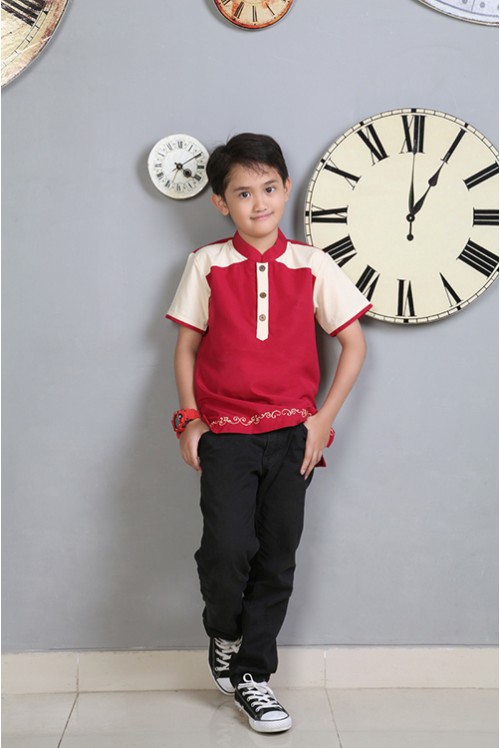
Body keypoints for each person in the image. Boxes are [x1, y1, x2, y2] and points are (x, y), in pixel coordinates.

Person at [166, 133, 371, 734]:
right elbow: (186, 348)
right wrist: (189, 419)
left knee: (277, 556)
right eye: (243, 193)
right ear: (221, 202)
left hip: (292, 437)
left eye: (270, 188)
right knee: (227, 549)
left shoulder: (313, 265)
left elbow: (354, 344)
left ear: (285, 188)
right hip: (225, 433)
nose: (259, 203)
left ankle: (254, 675)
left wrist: (321, 421)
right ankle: (225, 633)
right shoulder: (207, 264)